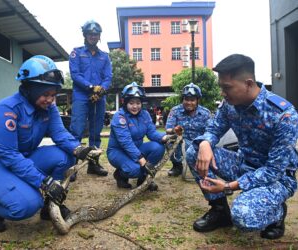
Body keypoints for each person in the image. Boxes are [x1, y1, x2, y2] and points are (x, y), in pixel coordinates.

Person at [0, 55, 95, 233]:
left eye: (53, 94)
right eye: (45, 94)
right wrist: (44, 182)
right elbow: (9, 156)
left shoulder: (48, 108)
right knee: (26, 206)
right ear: (29, 89)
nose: (51, 100)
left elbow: (59, 134)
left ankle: (50, 206)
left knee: (66, 155)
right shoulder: (6, 110)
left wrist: (80, 150)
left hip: (23, 158)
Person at [186, 54, 298, 239]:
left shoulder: (283, 115)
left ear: (248, 83)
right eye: (221, 87)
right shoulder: (230, 105)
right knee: (194, 151)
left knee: (243, 217)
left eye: (227, 87)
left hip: (276, 179)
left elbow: (273, 171)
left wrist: (228, 187)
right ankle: (220, 211)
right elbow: (214, 128)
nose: (222, 93)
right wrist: (206, 142)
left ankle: (276, 213)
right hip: (243, 165)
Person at [107, 82, 175, 191]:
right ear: (124, 102)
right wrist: (142, 160)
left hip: (137, 148)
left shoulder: (145, 114)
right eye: (131, 103)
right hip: (118, 151)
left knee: (158, 147)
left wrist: (166, 137)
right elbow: (126, 142)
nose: (135, 106)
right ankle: (120, 175)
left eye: (138, 103)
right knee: (136, 170)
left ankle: (143, 179)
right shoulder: (119, 117)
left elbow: (152, 133)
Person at [69, 20, 112, 179]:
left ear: (99, 36)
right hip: (81, 97)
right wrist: (90, 87)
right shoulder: (76, 52)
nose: (93, 36)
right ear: (85, 35)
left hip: (99, 98)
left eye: (96, 34)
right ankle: (72, 166)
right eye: (90, 34)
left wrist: (100, 91)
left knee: (96, 132)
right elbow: (75, 75)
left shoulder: (104, 57)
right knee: (77, 131)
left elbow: (108, 77)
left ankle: (93, 165)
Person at [165, 83, 211, 177]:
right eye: (186, 99)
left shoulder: (206, 113)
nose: (189, 102)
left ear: (198, 100)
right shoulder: (175, 111)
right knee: (169, 140)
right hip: (180, 142)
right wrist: (174, 130)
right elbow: (168, 129)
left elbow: (210, 132)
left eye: (192, 100)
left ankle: (202, 166)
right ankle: (177, 166)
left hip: (198, 144)